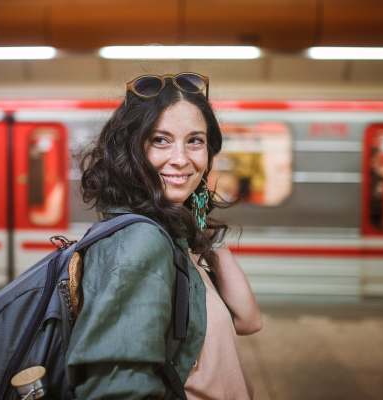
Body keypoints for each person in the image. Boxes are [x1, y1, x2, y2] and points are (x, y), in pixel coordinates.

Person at [66, 73, 262, 399]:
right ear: (130, 151)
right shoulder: (141, 241)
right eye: (160, 140)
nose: (182, 158)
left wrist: (200, 223)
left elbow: (247, 320)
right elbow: (117, 388)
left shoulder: (170, 234)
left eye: (195, 141)